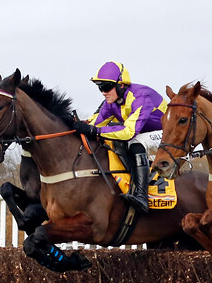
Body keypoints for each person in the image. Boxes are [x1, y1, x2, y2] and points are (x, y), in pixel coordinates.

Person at [71, 61, 167, 215]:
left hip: (166, 131)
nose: (103, 92)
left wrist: (94, 130)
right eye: (100, 88)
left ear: (121, 85)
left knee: (136, 143)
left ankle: (142, 196)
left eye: (106, 87)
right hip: (142, 131)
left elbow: (129, 132)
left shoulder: (141, 97)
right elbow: (95, 124)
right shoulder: (111, 102)